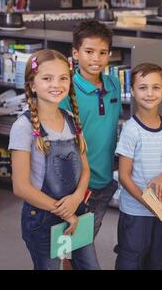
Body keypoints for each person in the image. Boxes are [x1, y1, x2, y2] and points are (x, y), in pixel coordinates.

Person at [10, 49, 100, 270]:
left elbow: (86, 170)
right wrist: (64, 211)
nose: (56, 84)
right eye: (47, 78)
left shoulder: (71, 120)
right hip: (42, 218)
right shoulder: (23, 127)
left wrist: (76, 199)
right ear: (32, 84)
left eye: (63, 78)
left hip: (76, 211)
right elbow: (21, 187)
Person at [114, 63, 162, 270]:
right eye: (142, 87)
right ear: (133, 92)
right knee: (132, 259)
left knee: (159, 259)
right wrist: (148, 202)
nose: (149, 93)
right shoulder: (131, 130)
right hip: (136, 212)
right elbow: (124, 176)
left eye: (155, 87)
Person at [60, 19, 120, 238]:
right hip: (77, 186)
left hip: (105, 181)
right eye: (89, 51)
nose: (96, 59)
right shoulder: (66, 91)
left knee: (85, 241)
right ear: (75, 54)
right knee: (71, 244)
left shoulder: (115, 84)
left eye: (103, 52)